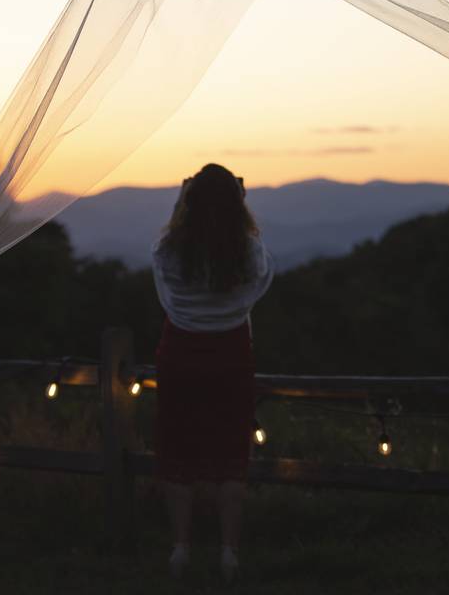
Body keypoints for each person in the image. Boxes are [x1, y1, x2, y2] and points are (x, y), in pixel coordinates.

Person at [151, 163, 274, 583]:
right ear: (236, 203)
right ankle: (228, 552)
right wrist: (239, 207)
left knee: (178, 448)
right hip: (231, 354)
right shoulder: (248, 251)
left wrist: (180, 203)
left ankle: (181, 549)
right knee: (230, 453)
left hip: (180, 354)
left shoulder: (169, 249)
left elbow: (165, 293)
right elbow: (260, 284)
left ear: (189, 202)